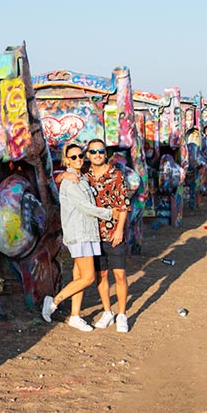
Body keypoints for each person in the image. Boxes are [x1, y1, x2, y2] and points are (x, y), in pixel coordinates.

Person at [41, 142, 119, 331]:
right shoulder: (71, 181)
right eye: (73, 157)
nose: (78, 159)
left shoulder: (81, 178)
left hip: (89, 233)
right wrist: (110, 213)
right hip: (80, 234)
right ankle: (53, 302)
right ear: (66, 160)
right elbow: (85, 207)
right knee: (88, 277)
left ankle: (75, 315)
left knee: (79, 276)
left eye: (80, 156)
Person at [78, 138, 133, 333]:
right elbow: (61, 177)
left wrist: (119, 229)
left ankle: (122, 314)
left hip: (113, 233)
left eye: (100, 151)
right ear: (88, 155)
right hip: (93, 233)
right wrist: (63, 178)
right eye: (93, 152)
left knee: (119, 274)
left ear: (105, 153)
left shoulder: (116, 175)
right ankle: (108, 311)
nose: (97, 155)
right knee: (101, 275)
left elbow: (124, 204)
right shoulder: (84, 175)